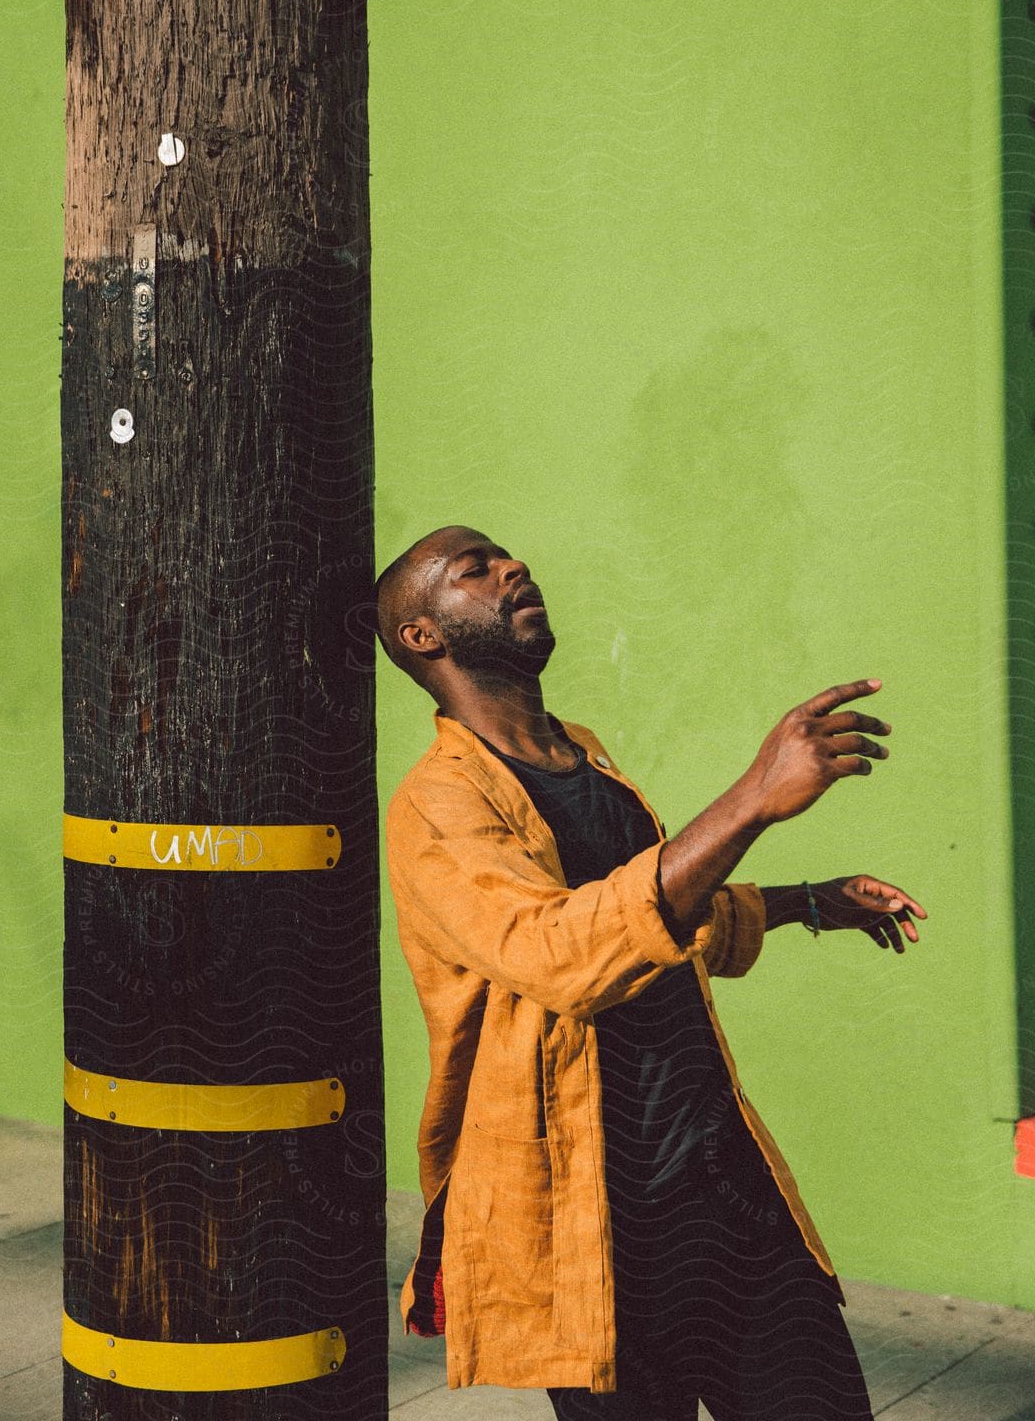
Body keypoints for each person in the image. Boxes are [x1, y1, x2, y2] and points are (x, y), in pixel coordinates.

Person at [378, 524, 927, 1421]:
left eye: (506, 555)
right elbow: (563, 955)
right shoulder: (437, 804)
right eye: (473, 569)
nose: (511, 567)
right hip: (593, 1232)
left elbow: (657, 925)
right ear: (421, 636)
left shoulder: (580, 754)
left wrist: (807, 902)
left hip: (722, 1187)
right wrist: (752, 798)